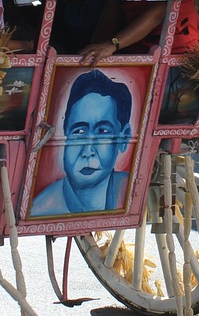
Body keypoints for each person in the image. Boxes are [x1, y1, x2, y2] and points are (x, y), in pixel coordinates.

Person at [30, 68, 133, 215]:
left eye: (102, 131)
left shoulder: (131, 189)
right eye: (79, 132)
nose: (87, 151)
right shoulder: (41, 208)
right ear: (65, 131)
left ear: (123, 138)